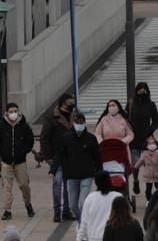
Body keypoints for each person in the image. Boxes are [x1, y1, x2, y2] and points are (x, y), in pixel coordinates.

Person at [72, 172, 123, 241]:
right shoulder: (117, 197)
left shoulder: (90, 198)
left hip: (95, 239)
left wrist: (79, 239)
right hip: (114, 239)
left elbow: (84, 220)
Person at [56, 112, 101, 222]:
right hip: (71, 176)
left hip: (87, 175)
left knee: (83, 203)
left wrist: (99, 173)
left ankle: (84, 225)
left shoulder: (91, 139)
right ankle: (82, 222)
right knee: (73, 205)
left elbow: (97, 157)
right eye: (77, 122)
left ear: (85, 123)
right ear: (73, 123)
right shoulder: (66, 138)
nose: (79, 125)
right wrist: (56, 169)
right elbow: (60, 156)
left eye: (81, 122)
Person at [39, 94, 75, 223]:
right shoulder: (52, 118)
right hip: (57, 158)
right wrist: (48, 157)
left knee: (68, 186)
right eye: (69, 103)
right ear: (62, 103)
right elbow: (44, 138)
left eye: (72, 102)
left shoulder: (74, 117)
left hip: (71, 157)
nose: (72, 105)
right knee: (57, 183)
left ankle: (66, 211)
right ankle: (57, 211)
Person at [0, 103, 35, 221]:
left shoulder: (24, 126)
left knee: (24, 185)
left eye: (15, 111)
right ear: (6, 113)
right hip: (6, 162)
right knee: (7, 188)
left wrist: (24, 150)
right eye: (11, 111)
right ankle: (7, 210)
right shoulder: (2, 125)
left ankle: (28, 204)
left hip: (20, 162)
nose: (13, 113)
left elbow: (30, 140)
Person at [128, 82, 158, 195]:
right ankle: (136, 180)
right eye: (140, 89)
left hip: (146, 138)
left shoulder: (151, 105)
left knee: (149, 164)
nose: (142, 91)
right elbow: (126, 119)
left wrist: (150, 131)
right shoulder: (131, 104)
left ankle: (148, 187)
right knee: (135, 163)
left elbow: (156, 121)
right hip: (134, 139)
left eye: (144, 89)